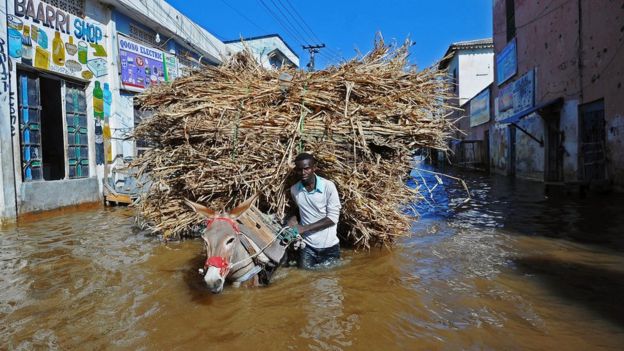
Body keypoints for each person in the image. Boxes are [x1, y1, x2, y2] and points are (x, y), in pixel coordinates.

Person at [287, 152, 342, 269]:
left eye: (306, 169)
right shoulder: (294, 190)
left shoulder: (328, 187)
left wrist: (303, 228)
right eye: (299, 169)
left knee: (330, 281)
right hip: (307, 247)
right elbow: (299, 209)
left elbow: (333, 218)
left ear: (314, 168)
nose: (303, 173)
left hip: (329, 246)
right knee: (304, 279)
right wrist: (292, 219)